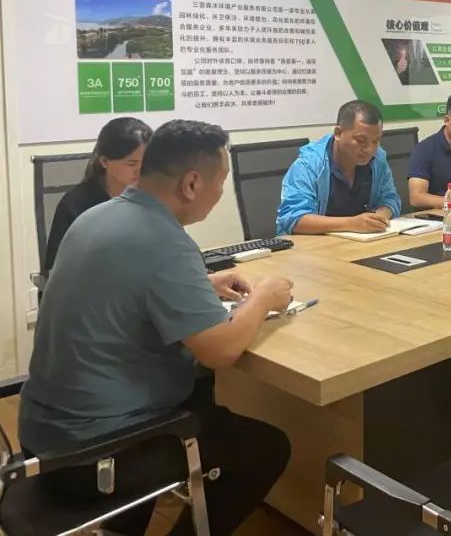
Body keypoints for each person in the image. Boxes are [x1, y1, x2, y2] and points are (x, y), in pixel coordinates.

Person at [20, 120, 294, 536]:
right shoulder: (164, 241)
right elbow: (220, 351)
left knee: (203, 398)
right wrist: (264, 297)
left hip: (41, 439)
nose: (222, 193)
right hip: (92, 456)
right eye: (221, 181)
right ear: (191, 184)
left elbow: (125, 286)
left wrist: (200, 283)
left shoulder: (97, 216)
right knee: (265, 448)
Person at [43, 116, 152, 277]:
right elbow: (56, 268)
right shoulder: (76, 204)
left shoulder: (152, 197)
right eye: (132, 163)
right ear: (104, 161)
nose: (141, 170)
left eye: (146, 162)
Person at [277, 100, 401, 236]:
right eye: (360, 140)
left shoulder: (377, 159)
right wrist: (352, 224)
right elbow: (294, 219)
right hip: (314, 244)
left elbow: (390, 199)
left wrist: (378, 217)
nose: (369, 149)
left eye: (375, 141)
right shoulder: (309, 165)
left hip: (362, 242)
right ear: (338, 133)